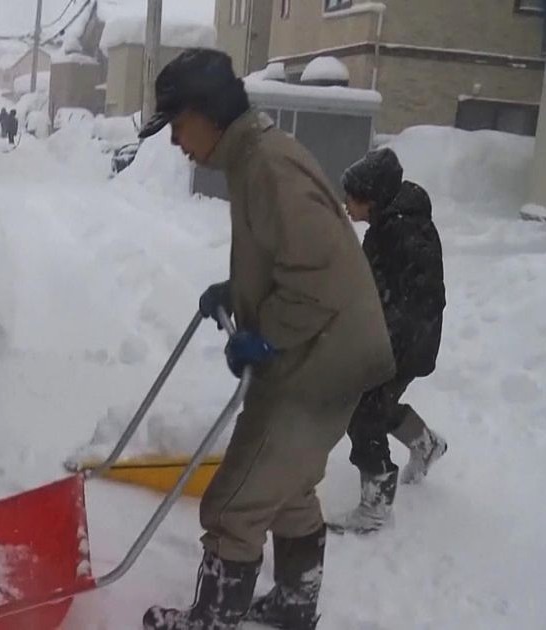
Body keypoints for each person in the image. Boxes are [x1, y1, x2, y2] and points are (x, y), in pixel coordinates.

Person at [137, 48, 395, 630]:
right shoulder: (254, 157)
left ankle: (211, 620)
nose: (176, 141)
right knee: (288, 486)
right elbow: (294, 256)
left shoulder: (266, 166)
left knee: (235, 501)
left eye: (178, 126)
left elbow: (317, 279)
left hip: (320, 358)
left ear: (207, 113)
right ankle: (295, 602)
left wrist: (265, 335)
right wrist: (240, 290)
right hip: (334, 346)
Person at [328, 147, 448, 535]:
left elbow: (408, 301)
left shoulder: (399, 232)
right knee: (379, 403)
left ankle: (376, 507)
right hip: (408, 337)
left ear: (372, 197)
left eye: (351, 197)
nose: (346, 204)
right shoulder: (393, 223)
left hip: (404, 340)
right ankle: (425, 443)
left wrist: (377, 349)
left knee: (363, 412)